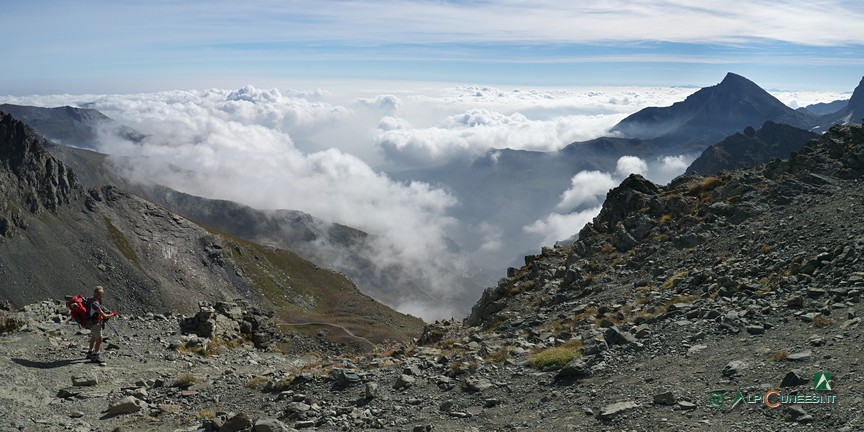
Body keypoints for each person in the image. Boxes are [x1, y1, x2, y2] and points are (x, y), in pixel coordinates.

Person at [86, 286, 117, 364]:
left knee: (93, 337)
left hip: (91, 322)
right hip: (95, 323)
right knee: (99, 339)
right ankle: (96, 356)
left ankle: (90, 352)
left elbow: (101, 309)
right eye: (101, 294)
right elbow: (104, 316)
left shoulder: (91, 299)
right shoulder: (95, 303)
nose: (102, 296)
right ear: (97, 294)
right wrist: (113, 314)